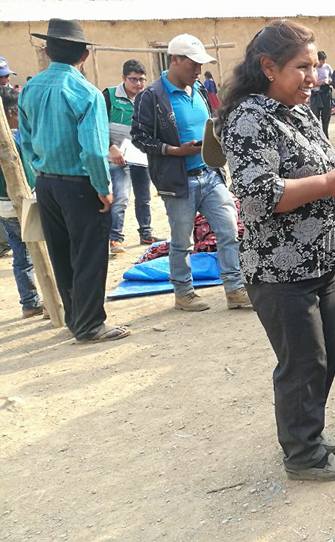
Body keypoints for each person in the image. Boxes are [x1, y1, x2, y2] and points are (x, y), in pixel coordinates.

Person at [219, 20, 335, 481]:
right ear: (268, 67)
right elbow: (258, 194)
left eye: (315, 65)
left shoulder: (298, 112)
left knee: (328, 352)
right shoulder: (248, 119)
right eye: (301, 67)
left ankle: (310, 432)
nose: (314, 76)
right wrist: (328, 182)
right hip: (281, 268)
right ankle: (302, 455)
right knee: (302, 362)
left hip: (319, 259)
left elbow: (314, 167)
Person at [19, 19, 129, 342]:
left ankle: (75, 319)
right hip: (80, 183)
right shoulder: (86, 93)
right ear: (83, 55)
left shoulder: (30, 88)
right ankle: (91, 323)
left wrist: (37, 178)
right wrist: (103, 189)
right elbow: (94, 152)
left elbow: (25, 143)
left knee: (62, 252)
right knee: (90, 253)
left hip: (46, 182)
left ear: (48, 51)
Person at [131, 34, 251, 312]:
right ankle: (183, 292)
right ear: (175, 60)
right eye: (193, 64)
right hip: (178, 179)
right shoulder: (152, 96)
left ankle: (235, 289)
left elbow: (210, 126)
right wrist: (174, 151)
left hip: (210, 174)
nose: (198, 70)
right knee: (182, 241)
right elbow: (140, 137)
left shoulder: (196, 90)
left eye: (200, 65)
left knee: (229, 230)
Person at [103, 59, 163, 254]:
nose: (138, 84)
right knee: (120, 197)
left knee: (144, 197)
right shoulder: (109, 96)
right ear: (123, 78)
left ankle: (146, 233)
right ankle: (115, 239)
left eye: (141, 80)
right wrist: (111, 147)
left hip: (140, 155)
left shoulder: (148, 97)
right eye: (133, 79)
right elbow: (98, 126)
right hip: (117, 156)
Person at [0, 86, 44, 319]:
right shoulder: (15, 139)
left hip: (3, 206)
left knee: (20, 253)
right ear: (12, 111)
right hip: (22, 201)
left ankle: (29, 302)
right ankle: (49, 301)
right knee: (39, 250)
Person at [310, 50, 334, 138]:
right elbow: (308, 81)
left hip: (326, 93)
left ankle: (326, 136)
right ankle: (316, 136)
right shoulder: (312, 68)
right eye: (321, 60)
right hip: (316, 94)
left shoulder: (327, 67)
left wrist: (328, 81)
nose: (322, 62)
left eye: (324, 60)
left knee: (326, 115)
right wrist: (318, 83)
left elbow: (332, 78)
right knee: (315, 116)